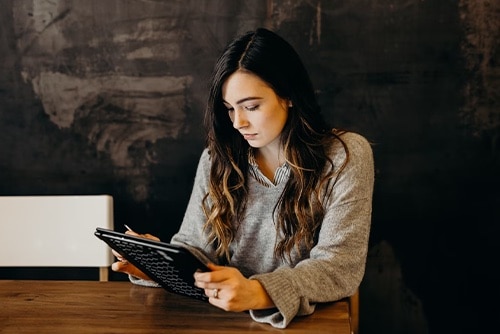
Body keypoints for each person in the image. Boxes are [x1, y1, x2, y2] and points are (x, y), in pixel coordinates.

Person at [112, 27, 374, 329]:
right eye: (229, 109)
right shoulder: (216, 160)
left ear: (288, 95)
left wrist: (257, 292)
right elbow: (198, 251)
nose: (238, 122)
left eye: (251, 106)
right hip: (224, 323)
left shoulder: (345, 156)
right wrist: (158, 266)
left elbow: (339, 266)